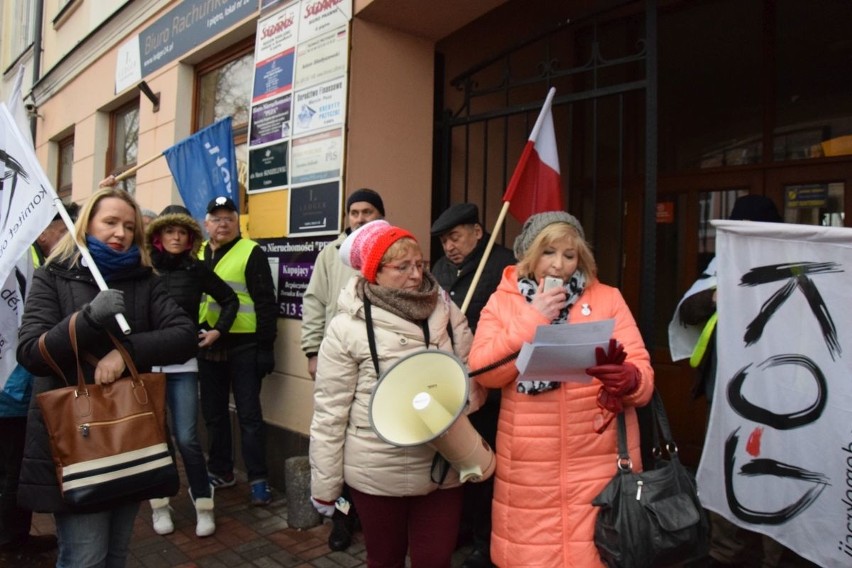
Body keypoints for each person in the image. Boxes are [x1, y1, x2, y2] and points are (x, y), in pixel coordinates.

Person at [15, 187, 198, 568]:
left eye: (129, 226)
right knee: (85, 558)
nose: (121, 233)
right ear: (87, 225)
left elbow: (183, 334)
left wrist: (127, 352)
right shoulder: (54, 276)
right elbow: (31, 352)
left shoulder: (144, 279)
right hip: (76, 443)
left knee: (115, 556)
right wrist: (86, 320)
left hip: (130, 439)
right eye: (110, 222)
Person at [468, 211, 654, 567]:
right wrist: (532, 318)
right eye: (548, 253)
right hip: (529, 468)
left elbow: (642, 377)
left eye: (569, 256)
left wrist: (628, 379)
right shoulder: (504, 300)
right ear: (529, 255)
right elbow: (483, 371)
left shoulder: (607, 298)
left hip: (597, 461)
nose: (559, 266)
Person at [310, 219, 485, 567]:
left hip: (442, 464)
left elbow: (472, 375)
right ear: (374, 272)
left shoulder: (445, 309)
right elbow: (330, 413)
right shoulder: (347, 327)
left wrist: (460, 404)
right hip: (377, 471)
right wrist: (326, 488)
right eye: (402, 267)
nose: (416, 275)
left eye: (419, 264)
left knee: (435, 560)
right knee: (384, 559)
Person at [669, 194, 793, 567]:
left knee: (776, 481)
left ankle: (777, 555)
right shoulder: (720, 268)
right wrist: (717, 297)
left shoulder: (794, 270)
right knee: (726, 473)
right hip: (724, 401)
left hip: (781, 405)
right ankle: (725, 551)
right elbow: (688, 312)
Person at [144, 204, 240, 537]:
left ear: (189, 238)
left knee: (186, 438)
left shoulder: (195, 269)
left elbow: (230, 299)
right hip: (147, 366)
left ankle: (203, 501)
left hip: (183, 363)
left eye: (181, 232)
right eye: (169, 231)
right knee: (156, 440)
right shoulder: (144, 268)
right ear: (158, 235)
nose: (175, 237)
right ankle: (159, 505)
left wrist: (216, 331)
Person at [429, 203, 515, 568]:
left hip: (491, 385)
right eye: (444, 240)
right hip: (451, 383)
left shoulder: (505, 266)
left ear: (478, 232)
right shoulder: (440, 270)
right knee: (456, 461)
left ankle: (485, 540)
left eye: (456, 236)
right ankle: (462, 528)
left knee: (484, 464)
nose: (449, 246)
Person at [301, 187, 384, 550]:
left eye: (368, 211)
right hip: (339, 362)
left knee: (376, 441)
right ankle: (343, 517)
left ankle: (378, 517)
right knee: (339, 442)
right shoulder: (331, 254)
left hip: (382, 364)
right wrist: (312, 350)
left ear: (381, 215)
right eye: (354, 212)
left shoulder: (394, 252)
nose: (361, 218)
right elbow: (314, 302)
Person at [0, 205, 79, 558]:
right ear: (45, 229)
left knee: (14, 465)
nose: (69, 239)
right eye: (64, 230)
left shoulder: (28, 255)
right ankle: (11, 542)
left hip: (17, 386)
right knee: (11, 468)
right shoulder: (21, 259)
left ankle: (15, 535)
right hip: (11, 390)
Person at [198, 196, 277, 506]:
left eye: (229, 217)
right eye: (216, 218)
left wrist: (266, 348)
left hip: (245, 346)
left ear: (237, 222)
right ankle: (221, 470)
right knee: (214, 415)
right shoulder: (200, 252)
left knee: (249, 416)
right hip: (208, 345)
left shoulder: (251, 252)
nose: (223, 223)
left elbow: (266, 303)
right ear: (207, 224)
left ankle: (258, 479)